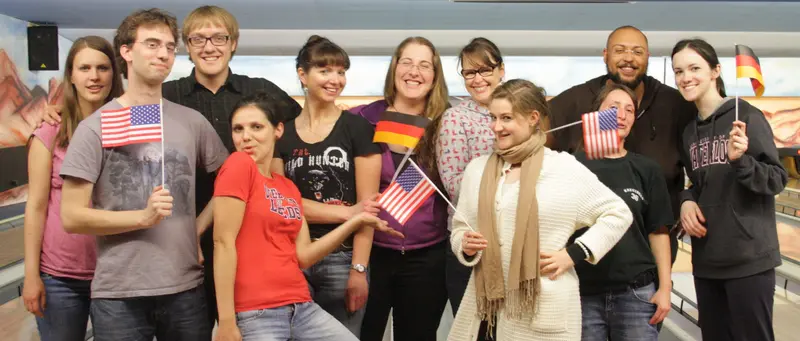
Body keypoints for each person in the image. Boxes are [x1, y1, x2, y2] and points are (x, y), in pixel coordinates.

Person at [59, 9, 229, 341]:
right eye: (152, 44)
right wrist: (143, 217)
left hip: (186, 288)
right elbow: (71, 216)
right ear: (126, 51)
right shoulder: (95, 127)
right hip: (119, 293)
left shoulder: (192, 122)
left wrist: (198, 227)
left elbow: (231, 183)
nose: (163, 54)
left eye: (169, 47)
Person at [448, 79, 632, 341]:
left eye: (506, 118)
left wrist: (573, 254)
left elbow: (618, 213)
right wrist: (464, 244)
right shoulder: (477, 169)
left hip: (543, 315)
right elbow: (460, 227)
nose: (496, 127)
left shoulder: (563, 168)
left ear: (533, 117)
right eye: (493, 117)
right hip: (483, 314)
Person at [211, 92, 403, 341]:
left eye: (256, 127)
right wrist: (226, 322)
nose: (246, 136)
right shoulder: (238, 165)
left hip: (301, 306)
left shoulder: (286, 187)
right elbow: (222, 243)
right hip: (256, 311)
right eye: (238, 129)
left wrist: (354, 221)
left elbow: (303, 256)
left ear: (278, 130)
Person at [161, 5, 303, 325]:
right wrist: (63, 111)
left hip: (250, 238)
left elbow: (300, 127)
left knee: (249, 327)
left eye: (219, 38)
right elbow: (122, 121)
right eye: (198, 39)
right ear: (186, 45)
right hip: (184, 237)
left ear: (233, 43)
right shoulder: (166, 97)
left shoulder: (259, 91)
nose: (209, 47)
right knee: (190, 331)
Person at [548, 25, 697, 263]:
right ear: (605, 55)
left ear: (647, 57)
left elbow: (701, 163)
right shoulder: (576, 100)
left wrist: (689, 198)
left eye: (637, 52)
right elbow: (538, 144)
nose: (629, 58)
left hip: (653, 244)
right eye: (620, 50)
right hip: (588, 247)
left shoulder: (675, 104)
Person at [672, 38, 787, 341]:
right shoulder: (688, 133)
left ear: (715, 71)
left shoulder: (746, 117)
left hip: (748, 260)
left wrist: (742, 162)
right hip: (707, 261)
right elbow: (696, 184)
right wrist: (685, 200)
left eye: (694, 68)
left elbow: (776, 179)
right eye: (679, 71)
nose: (686, 77)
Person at [270, 35, 382, 337]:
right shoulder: (284, 133)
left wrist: (359, 270)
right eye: (325, 70)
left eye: (341, 71)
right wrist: (347, 214)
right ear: (303, 75)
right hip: (293, 256)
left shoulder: (358, 128)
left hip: (343, 258)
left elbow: (368, 209)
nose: (335, 79)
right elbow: (284, 204)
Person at [22, 36, 123, 341]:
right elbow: (36, 207)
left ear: (114, 75)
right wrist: (30, 276)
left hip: (117, 274)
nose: (94, 76)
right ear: (71, 76)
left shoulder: (128, 128)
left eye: (103, 68)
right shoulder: (50, 131)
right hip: (59, 278)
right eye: (85, 68)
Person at [350, 36, 451, 341]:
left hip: (427, 257)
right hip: (371, 254)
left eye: (424, 65)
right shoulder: (360, 119)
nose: (414, 71)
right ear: (394, 68)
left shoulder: (446, 122)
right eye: (406, 62)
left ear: (435, 76)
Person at [572, 84, 673, 341]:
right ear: (596, 114)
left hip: (636, 293)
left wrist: (665, 288)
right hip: (583, 293)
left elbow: (658, 232)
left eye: (629, 110)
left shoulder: (646, 169)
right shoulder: (573, 166)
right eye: (613, 108)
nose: (622, 115)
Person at [437, 37, 504, 315]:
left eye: (485, 69)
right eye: (469, 72)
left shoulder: (519, 113)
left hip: (512, 239)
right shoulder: (455, 117)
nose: (477, 79)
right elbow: (454, 185)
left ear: (501, 70)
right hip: (470, 242)